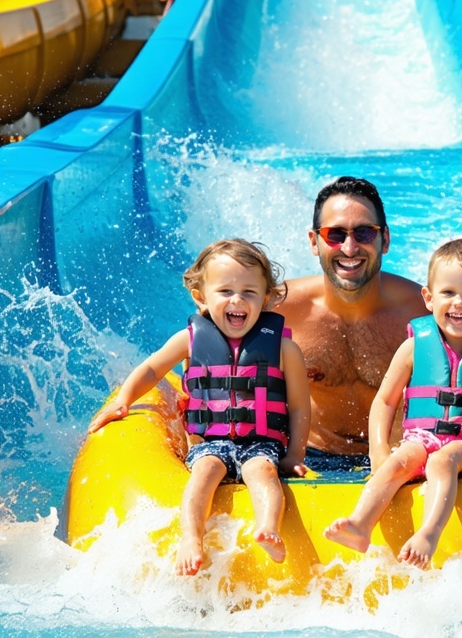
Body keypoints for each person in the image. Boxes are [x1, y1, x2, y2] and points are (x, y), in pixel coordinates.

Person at [276, 176, 462, 470]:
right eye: (335, 234)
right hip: (309, 459)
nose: (350, 248)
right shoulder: (281, 308)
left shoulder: (423, 311)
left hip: (407, 456)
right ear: (315, 242)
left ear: (386, 240)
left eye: (364, 233)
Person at [87, 239, 311, 576]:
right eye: (225, 291)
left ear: (266, 298)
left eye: (249, 292)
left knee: (263, 473)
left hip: (261, 444)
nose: (237, 300)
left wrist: (294, 455)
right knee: (204, 473)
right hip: (210, 443)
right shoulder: (190, 339)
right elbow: (152, 368)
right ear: (201, 296)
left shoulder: (284, 348)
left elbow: (298, 406)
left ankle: (268, 529)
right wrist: (124, 400)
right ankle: (191, 538)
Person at [324, 239, 462, 569]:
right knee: (397, 462)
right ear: (428, 297)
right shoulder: (413, 346)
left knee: (442, 462)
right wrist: (378, 448)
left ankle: (428, 534)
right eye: (448, 292)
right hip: (422, 437)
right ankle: (360, 525)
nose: (459, 303)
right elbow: (385, 401)